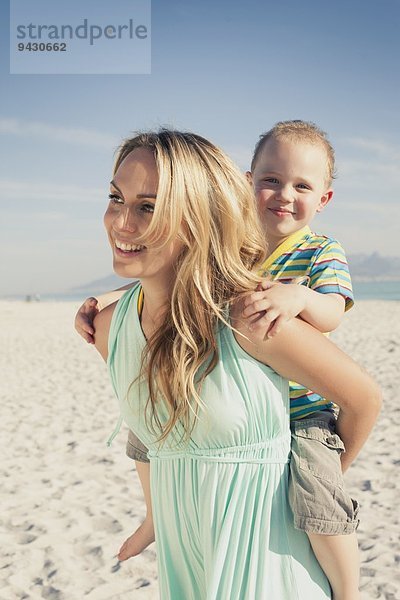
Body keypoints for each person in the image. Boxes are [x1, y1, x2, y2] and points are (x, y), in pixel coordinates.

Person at [89, 128, 381, 599]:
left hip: (270, 566)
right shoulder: (111, 327)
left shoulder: (256, 314)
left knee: (323, 503)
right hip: (189, 572)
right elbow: (191, 278)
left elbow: (363, 396)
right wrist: (104, 299)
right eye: (115, 197)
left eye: (148, 206)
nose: (122, 222)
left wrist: (323, 468)